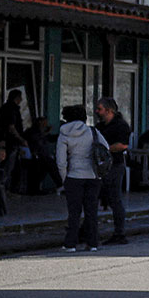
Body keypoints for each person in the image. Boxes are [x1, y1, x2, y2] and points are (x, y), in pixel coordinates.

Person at [55, 104, 108, 252]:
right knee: (91, 211)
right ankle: (92, 243)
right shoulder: (92, 131)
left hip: (74, 176)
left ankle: (70, 243)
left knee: (74, 212)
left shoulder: (64, 134)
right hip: (93, 176)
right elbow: (106, 148)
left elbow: (60, 161)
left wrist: (65, 178)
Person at [94, 97, 131, 245]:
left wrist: (105, 149)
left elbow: (123, 145)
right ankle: (87, 230)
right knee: (94, 197)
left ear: (109, 110)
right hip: (99, 167)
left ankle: (119, 233)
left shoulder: (120, 125)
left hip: (114, 165)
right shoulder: (100, 126)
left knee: (114, 198)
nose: (97, 112)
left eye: (100, 109)